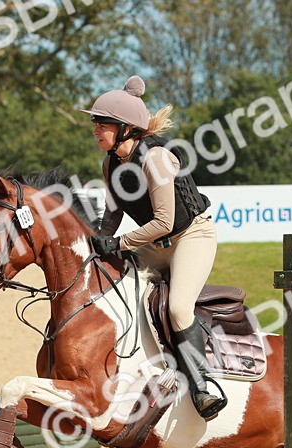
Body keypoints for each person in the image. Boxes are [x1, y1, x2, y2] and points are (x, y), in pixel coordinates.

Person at [80, 75, 225, 420]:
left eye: (103, 125)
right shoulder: (112, 162)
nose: (96, 131)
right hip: (155, 244)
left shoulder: (155, 158)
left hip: (191, 238)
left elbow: (164, 222)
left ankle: (202, 386)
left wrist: (118, 242)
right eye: (96, 125)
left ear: (125, 128)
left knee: (177, 307)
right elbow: (114, 212)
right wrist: (100, 242)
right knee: (110, 282)